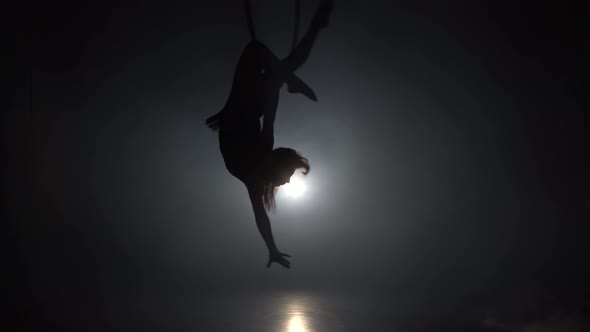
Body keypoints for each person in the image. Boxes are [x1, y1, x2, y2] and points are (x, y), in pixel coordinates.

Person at [205, 0, 333, 268]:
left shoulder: (252, 174)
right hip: (255, 100)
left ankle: (301, 55)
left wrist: (272, 249)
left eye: (287, 175)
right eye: (290, 175)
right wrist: (280, 81)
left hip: (245, 94)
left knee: (275, 58)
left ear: (275, 167)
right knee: (292, 62)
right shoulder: (262, 154)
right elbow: (271, 114)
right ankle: (315, 30)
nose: (287, 183)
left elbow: (261, 217)